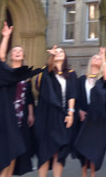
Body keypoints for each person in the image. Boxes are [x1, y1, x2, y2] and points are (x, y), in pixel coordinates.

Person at [0, 22, 42, 177]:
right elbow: (0, 58)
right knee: (6, 152)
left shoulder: (24, 76)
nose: (17, 52)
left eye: (20, 51)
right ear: (11, 55)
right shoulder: (6, 72)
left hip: (20, 119)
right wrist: (6, 37)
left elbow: (28, 97)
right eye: (15, 51)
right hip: (6, 118)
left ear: (23, 56)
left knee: (15, 151)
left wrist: (31, 114)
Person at [34, 45, 77, 177]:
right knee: (45, 151)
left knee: (60, 151)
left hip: (63, 115)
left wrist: (70, 113)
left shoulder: (71, 73)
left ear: (65, 56)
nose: (58, 53)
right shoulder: (47, 72)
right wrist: (51, 58)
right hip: (47, 116)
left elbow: (72, 94)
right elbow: (40, 85)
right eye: (55, 52)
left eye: (60, 52)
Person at [74, 47, 106, 177]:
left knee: (95, 148)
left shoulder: (102, 80)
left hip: (98, 119)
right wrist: (78, 111)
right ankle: (84, 173)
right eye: (94, 57)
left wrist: (103, 56)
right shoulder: (82, 79)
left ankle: (92, 173)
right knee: (83, 145)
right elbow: (75, 97)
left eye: (98, 59)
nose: (96, 59)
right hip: (84, 117)